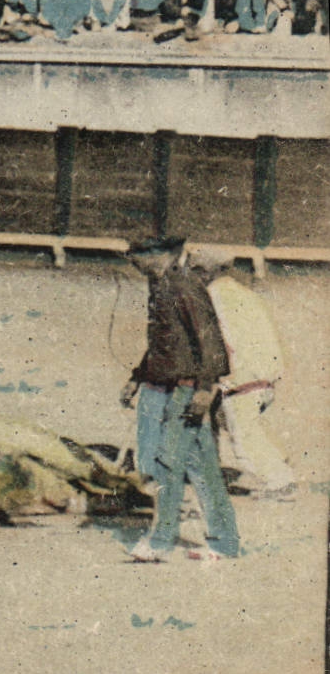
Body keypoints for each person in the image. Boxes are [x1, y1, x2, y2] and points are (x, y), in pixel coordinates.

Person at [118, 235, 239, 562]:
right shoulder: (159, 285)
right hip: (168, 386)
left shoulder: (184, 285)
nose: (130, 260)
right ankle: (225, 543)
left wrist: (205, 388)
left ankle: (160, 541)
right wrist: (137, 377)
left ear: (159, 254)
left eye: (136, 254)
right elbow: (166, 344)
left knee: (167, 463)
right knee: (200, 466)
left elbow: (210, 339)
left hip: (186, 389)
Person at [186, 247, 295, 498]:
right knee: (246, 429)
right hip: (263, 376)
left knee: (244, 438)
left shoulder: (213, 296)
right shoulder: (243, 294)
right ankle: (280, 470)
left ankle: (281, 483)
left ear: (207, 271)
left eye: (195, 269)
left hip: (242, 377)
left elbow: (219, 340)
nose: (193, 274)